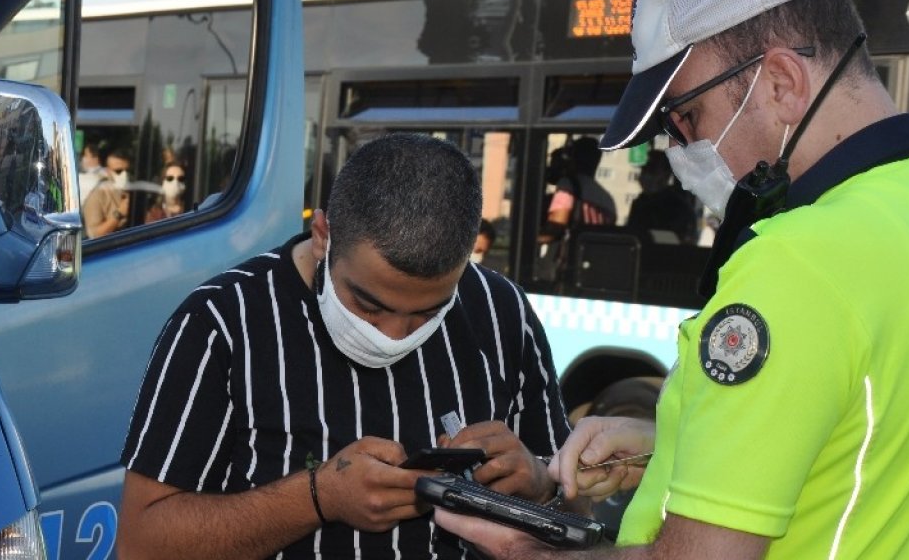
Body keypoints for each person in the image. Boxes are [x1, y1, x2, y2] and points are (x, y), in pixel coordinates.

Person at [436, 0, 909, 557]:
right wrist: (676, 443)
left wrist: (528, 552)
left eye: (687, 114)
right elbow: (872, 447)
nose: (680, 147)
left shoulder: (797, 260)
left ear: (781, 82)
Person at [117, 133, 571, 559]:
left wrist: (541, 484)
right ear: (323, 237)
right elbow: (141, 543)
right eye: (369, 306)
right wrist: (317, 497)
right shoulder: (222, 322)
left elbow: (581, 518)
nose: (394, 335)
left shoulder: (500, 310)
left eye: (428, 313)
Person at [626, 150, 697, 244]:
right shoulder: (640, 203)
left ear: (665, 175)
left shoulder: (677, 207)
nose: (645, 175)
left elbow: (680, 242)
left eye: (652, 170)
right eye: (644, 170)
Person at [547, 137, 617, 229]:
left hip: (570, 243)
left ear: (573, 158)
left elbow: (556, 226)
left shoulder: (568, 185)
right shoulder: (608, 200)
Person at [82, 147, 131, 238]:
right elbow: (94, 235)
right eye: (118, 171)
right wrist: (119, 213)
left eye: (128, 171)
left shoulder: (134, 190)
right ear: (108, 171)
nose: (125, 175)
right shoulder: (97, 195)